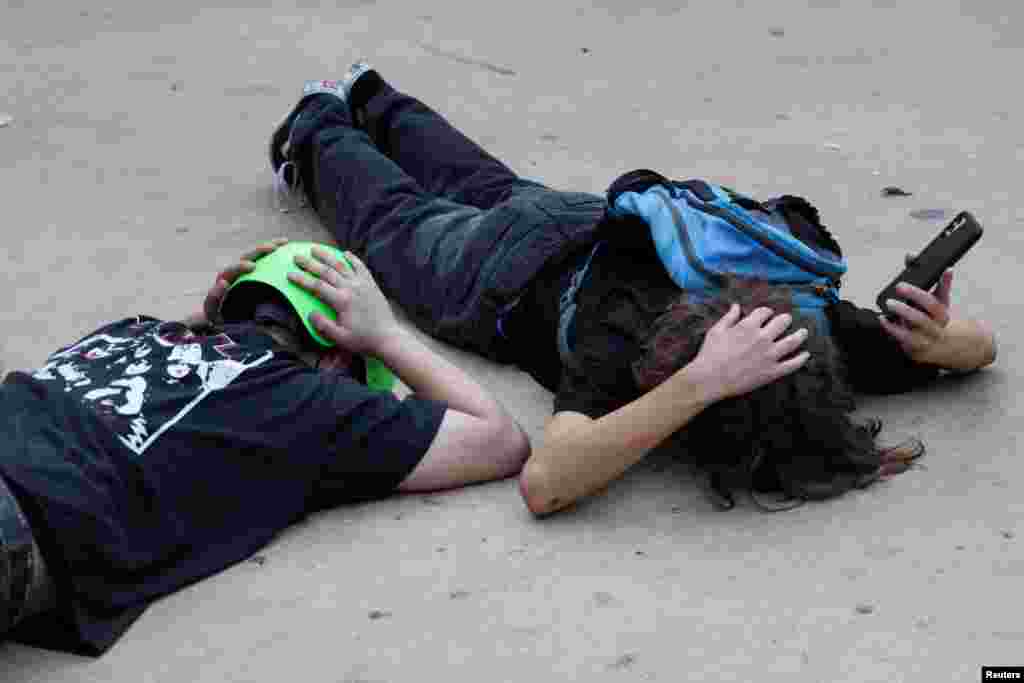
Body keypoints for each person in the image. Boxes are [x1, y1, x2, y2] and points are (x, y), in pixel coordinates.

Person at [267, 63, 998, 516]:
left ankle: (371, 93)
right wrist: (697, 384)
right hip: (499, 275)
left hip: (600, 221)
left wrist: (950, 339)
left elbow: (978, 351)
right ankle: (317, 121)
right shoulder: (622, 327)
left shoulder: (799, 322)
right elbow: (546, 482)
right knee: (398, 219)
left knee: (483, 180)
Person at [0, 240, 530, 655]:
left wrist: (207, 321)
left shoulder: (125, 332)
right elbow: (499, 439)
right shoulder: (303, 401)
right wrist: (386, 336)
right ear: (335, 357)